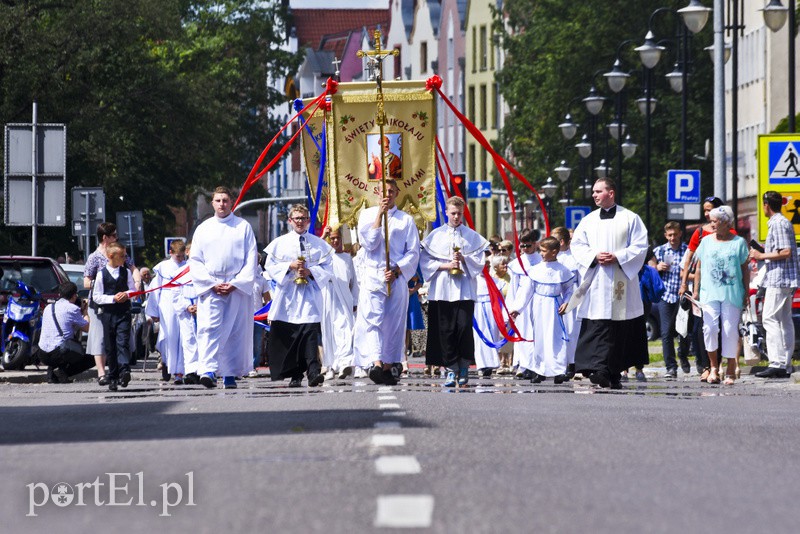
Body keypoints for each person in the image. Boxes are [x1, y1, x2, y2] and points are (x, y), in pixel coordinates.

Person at [571, 178, 649, 389]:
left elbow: (641, 246)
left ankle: (611, 373)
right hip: (597, 281)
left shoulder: (630, 218)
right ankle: (600, 369)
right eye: (594, 192)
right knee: (598, 325)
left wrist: (618, 256)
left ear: (611, 193)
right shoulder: (587, 220)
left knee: (619, 326)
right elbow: (577, 245)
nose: (594, 195)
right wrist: (594, 256)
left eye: (598, 191)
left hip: (620, 279)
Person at [189, 186, 258, 389]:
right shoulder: (203, 228)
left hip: (235, 286)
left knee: (235, 331)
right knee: (209, 328)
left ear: (232, 202)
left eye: (225, 200)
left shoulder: (242, 227)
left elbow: (251, 258)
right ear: (212, 203)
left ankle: (229, 373)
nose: (222, 204)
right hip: (212, 285)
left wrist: (237, 283)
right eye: (218, 200)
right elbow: (195, 259)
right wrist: (210, 283)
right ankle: (208, 370)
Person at [352, 179, 420, 386]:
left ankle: (389, 366)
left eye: (392, 191)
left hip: (396, 277)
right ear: (377, 192)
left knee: (394, 323)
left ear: (397, 193)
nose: (388, 194)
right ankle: (376, 363)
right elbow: (369, 244)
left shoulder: (405, 220)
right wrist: (379, 216)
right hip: (374, 275)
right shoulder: (366, 215)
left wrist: (397, 269)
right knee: (373, 320)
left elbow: (413, 251)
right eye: (384, 191)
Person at [420, 196, 488, 386]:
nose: (456, 217)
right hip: (441, 290)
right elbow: (425, 262)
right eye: (453, 213)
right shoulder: (436, 235)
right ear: (447, 213)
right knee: (445, 330)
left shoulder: (471, 236)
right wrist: (446, 265)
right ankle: (451, 369)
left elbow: (480, 262)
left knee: (464, 328)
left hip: (464, 290)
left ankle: (464, 366)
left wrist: (464, 259)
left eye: (459, 213)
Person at [264, 205, 333, 387]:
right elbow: (270, 267)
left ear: (308, 221)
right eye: (296, 218)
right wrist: (290, 267)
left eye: (303, 218)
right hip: (288, 296)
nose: (300, 222)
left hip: (309, 295)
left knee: (310, 333)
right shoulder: (280, 243)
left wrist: (310, 271)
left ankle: (313, 372)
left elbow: (328, 268)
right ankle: (296, 375)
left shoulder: (318, 244)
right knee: (292, 337)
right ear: (290, 221)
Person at [693, 206, 750, 385]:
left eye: (715, 221)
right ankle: (714, 367)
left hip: (732, 293)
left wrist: (746, 291)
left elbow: (744, 269)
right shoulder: (706, 242)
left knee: (729, 330)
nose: (712, 225)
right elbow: (699, 267)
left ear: (726, 223)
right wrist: (695, 291)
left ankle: (731, 367)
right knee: (709, 329)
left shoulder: (739, 243)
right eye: (711, 221)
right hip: (709, 293)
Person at [509, 237, 575, 383]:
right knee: (539, 338)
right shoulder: (535, 270)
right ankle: (539, 370)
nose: (541, 253)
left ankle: (558, 371)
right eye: (541, 250)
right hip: (538, 305)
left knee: (556, 338)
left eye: (544, 251)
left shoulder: (563, 270)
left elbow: (569, 289)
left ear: (554, 252)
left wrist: (566, 302)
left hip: (555, 305)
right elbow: (526, 291)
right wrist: (517, 309)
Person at [83, 222, 139, 386]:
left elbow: (132, 270)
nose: (117, 237)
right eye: (114, 235)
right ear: (105, 237)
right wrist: (111, 295)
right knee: (105, 341)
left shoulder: (122, 257)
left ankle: (124, 370)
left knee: (122, 340)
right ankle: (105, 373)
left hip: (122, 309)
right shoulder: (95, 259)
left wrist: (135, 285)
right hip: (103, 307)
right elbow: (88, 283)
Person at [752, 191, 800, 378]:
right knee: (783, 319)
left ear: (766, 205)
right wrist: (764, 251)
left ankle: (777, 362)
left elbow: (786, 251)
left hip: (779, 278)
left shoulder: (778, 223)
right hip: (784, 278)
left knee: (769, 319)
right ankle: (784, 362)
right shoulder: (782, 222)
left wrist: (761, 255)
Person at [679, 196, 726, 379]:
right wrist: (684, 284)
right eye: (705, 210)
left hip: (722, 286)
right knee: (700, 326)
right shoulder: (700, 233)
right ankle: (705, 365)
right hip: (701, 287)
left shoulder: (729, 232)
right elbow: (689, 260)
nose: (707, 214)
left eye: (711, 210)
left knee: (721, 326)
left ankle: (719, 364)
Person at [92, 242, 136, 391]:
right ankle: (113, 376)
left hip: (123, 312)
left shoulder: (126, 272)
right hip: (108, 314)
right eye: (122, 256)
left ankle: (124, 370)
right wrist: (112, 298)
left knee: (122, 341)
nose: (124, 259)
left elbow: (133, 290)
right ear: (111, 256)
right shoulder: (101, 274)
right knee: (110, 345)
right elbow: (96, 296)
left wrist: (127, 294)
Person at [145, 240, 188, 384]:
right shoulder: (162, 268)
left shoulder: (187, 267)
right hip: (167, 303)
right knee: (168, 335)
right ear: (171, 253)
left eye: (183, 256)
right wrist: (153, 310)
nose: (181, 259)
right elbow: (155, 289)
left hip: (183, 303)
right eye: (178, 256)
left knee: (183, 337)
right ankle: (166, 361)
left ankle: (179, 372)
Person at [320, 225, 358, 380]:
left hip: (344, 300)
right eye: (332, 238)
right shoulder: (324, 257)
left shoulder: (348, 258)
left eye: (337, 238)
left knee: (345, 331)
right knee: (329, 333)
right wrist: (323, 237)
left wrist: (355, 300)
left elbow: (354, 282)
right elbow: (311, 255)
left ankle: (344, 364)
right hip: (328, 299)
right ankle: (330, 366)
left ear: (342, 239)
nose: (335, 241)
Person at [653, 221, 691, 378]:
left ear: (680, 233)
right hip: (665, 295)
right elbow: (649, 269)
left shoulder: (687, 250)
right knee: (666, 332)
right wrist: (657, 268)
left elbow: (694, 269)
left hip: (683, 295)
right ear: (665, 236)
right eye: (669, 235)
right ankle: (671, 366)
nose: (673, 238)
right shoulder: (659, 251)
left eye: (675, 234)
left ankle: (683, 355)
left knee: (684, 331)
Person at [37, 282, 94, 383]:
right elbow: (87, 328)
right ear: (74, 295)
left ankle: (51, 373)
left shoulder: (48, 307)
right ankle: (64, 372)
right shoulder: (72, 308)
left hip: (42, 354)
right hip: (59, 353)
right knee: (91, 358)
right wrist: (85, 311)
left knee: (59, 341)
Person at [507, 229, 541, 378]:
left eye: (528, 246)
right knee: (522, 332)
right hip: (521, 304)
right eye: (522, 246)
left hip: (537, 301)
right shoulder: (516, 264)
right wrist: (511, 308)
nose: (525, 249)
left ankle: (536, 365)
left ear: (535, 244)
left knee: (537, 333)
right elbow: (513, 289)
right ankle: (523, 364)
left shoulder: (542, 261)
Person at [552, 226, 580, 380]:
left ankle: (571, 363)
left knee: (570, 331)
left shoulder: (573, 258)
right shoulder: (553, 258)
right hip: (555, 297)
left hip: (571, 298)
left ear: (561, 242)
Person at [473, 252, 502, 378]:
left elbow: (500, 300)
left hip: (491, 310)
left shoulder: (495, 281)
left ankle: (491, 363)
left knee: (492, 334)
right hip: (477, 309)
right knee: (479, 337)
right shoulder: (473, 280)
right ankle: (481, 364)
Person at [179, 242, 200, 384]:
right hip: (187, 312)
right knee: (189, 341)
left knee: (203, 340)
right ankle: (191, 371)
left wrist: (201, 305)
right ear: (187, 252)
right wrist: (187, 306)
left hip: (202, 309)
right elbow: (174, 294)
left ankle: (203, 370)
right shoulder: (180, 273)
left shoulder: (206, 270)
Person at [250, 253, 271, 378]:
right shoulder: (241, 278)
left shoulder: (261, 280)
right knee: (243, 343)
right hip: (243, 316)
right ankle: (242, 367)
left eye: (256, 260)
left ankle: (253, 366)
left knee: (257, 343)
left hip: (257, 316)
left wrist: (268, 314)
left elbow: (267, 299)